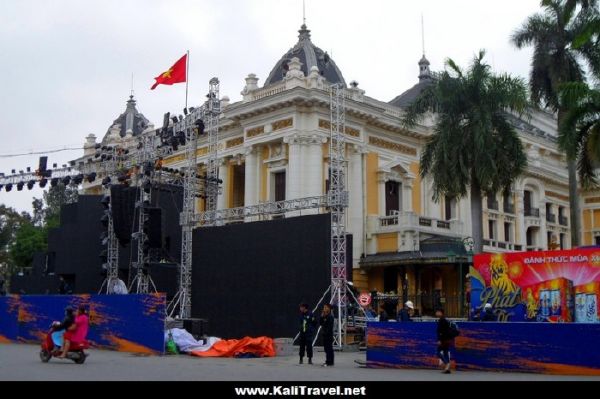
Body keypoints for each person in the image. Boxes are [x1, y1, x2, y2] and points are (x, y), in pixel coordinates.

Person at [435, 308, 455, 374]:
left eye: (437, 312)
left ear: (441, 313)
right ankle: (447, 369)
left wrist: (439, 340)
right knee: (445, 352)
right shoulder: (444, 320)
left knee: (438, 352)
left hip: (443, 339)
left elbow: (441, 332)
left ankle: (447, 364)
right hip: (448, 339)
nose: (436, 313)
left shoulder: (442, 320)